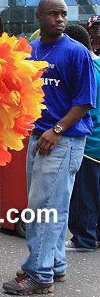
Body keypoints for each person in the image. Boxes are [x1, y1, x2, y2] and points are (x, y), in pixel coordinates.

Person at [3, 0, 96, 295]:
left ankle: (39, 274)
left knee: (43, 209)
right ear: (39, 16)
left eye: (63, 14)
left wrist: (57, 130)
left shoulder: (77, 52)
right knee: (50, 207)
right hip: (38, 137)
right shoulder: (31, 50)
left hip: (63, 140)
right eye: (53, 14)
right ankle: (54, 265)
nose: (60, 19)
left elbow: (85, 102)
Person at [63, 24, 100, 252]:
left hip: (88, 142)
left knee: (83, 195)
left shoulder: (84, 70)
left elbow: (80, 107)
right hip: (98, 141)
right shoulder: (98, 65)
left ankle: (84, 239)